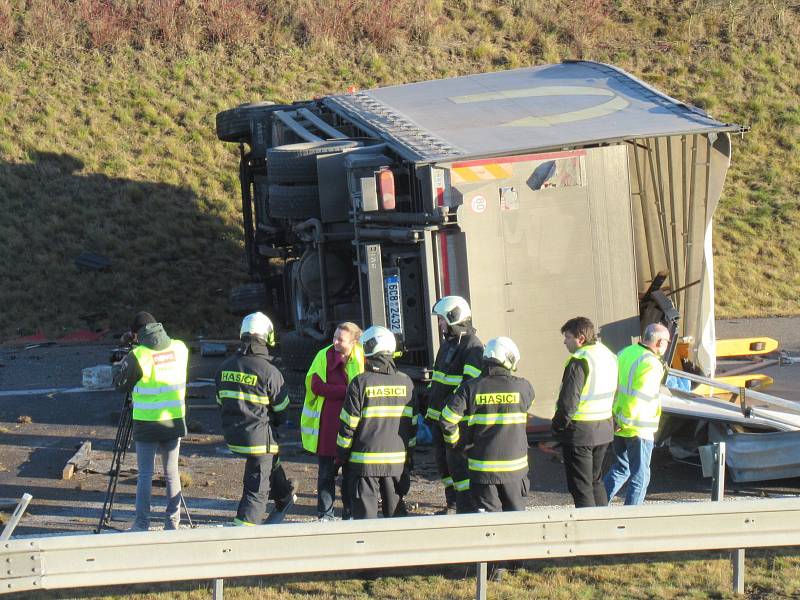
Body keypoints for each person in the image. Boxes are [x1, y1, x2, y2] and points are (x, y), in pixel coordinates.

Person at [214, 312, 295, 525]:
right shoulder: (269, 371)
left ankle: (284, 495)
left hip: (234, 435)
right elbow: (282, 410)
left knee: (271, 459)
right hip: (258, 440)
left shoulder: (223, 368)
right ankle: (244, 530)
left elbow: (220, 401)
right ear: (267, 337)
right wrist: (274, 423)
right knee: (256, 490)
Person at [113, 311, 188, 531]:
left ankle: (142, 523)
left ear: (137, 334)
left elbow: (120, 384)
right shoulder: (180, 348)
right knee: (172, 472)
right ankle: (173, 522)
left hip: (147, 422)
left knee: (145, 474)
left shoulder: (139, 355)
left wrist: (121, 362)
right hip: (174, 420)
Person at [440, 336, 534, 513]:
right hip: (515, 471)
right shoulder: (524, 387)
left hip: (482, 472)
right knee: (517, 524)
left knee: (490, 526)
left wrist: (455, 443)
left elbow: (447, 418)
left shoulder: (470, 388)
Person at [337, 326, 416, 519]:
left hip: (364, 463)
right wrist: (408, 458)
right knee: (396, 518)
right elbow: (412, 426)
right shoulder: (406, 382)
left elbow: (348, 424)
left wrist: (341, 454)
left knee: (365, 519)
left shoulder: (359, 383)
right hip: (396, 462)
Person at [425, 295, 484, 514]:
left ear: (454, 317)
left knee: (459, 468)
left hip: (457, 423)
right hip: (440, 421)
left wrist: (449, 415)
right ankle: (453, 504)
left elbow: (468, 388)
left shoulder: (473, 347)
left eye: (441, 319)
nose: (440, 324)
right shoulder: (449, 345)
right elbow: (440, 383)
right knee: (445, 465)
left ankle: (465, 508)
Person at [302, 322, 365, 520]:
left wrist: (339, 392)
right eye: (335, 337)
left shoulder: (362, 356)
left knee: (351, 473)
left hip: (353, 424)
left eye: (341, 339)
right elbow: (316, 385)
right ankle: (325, 514)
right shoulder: (323, 355)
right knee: (326, 473)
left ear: (354, 342)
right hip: (328, 424)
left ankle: (350, 513)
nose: (335, 342)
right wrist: (348, 392)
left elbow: (367, 386)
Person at [553, 316, 618, 508]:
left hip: (581, 431)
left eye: (568, 337)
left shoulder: (579, 360)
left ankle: (589, 530)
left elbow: (568, 402)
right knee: (595, 480)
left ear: (580, 338)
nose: (565, 341)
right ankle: (603, 523)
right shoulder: (608, 355)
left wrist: (557, 428)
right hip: (604, 427)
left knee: (581, 486)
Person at [603, 323, 670, 505]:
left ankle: (597, 506)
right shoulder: (652, 364)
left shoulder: (625, 352)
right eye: (667, 342)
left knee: (621, 468)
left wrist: (616, 419)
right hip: (638, 427)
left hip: (618, 421)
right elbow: (640, 398)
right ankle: (631, 517)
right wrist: (625, 421)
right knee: (640, 477)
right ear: (660, 342)